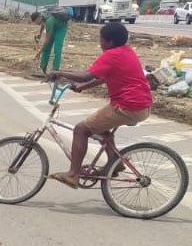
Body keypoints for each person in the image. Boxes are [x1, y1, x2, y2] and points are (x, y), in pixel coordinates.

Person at [45, 22, 152, 188]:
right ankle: (115, 163)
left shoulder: (111, 54)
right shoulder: (127, 51)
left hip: (127, 105)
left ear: (109, 42)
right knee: (101, 128)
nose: (100, 43)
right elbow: (102, 77)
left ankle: (73, 175)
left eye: (101, 40)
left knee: (81, 130)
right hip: (140, 104)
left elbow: (87, 75)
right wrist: (81, 88)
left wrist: (59, 72)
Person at [31, 10, 68, 77]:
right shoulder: (43, 16)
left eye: (36, 22)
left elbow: (47, 40)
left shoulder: (49, 21)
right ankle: (42, 69)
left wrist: (39, 52)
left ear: (39, 18)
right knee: (46, 49)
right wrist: (40, 33)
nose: (36, 24)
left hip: (61, 28)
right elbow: (43, 25)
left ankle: (55, 71)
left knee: (57, 49)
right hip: (53, 27)